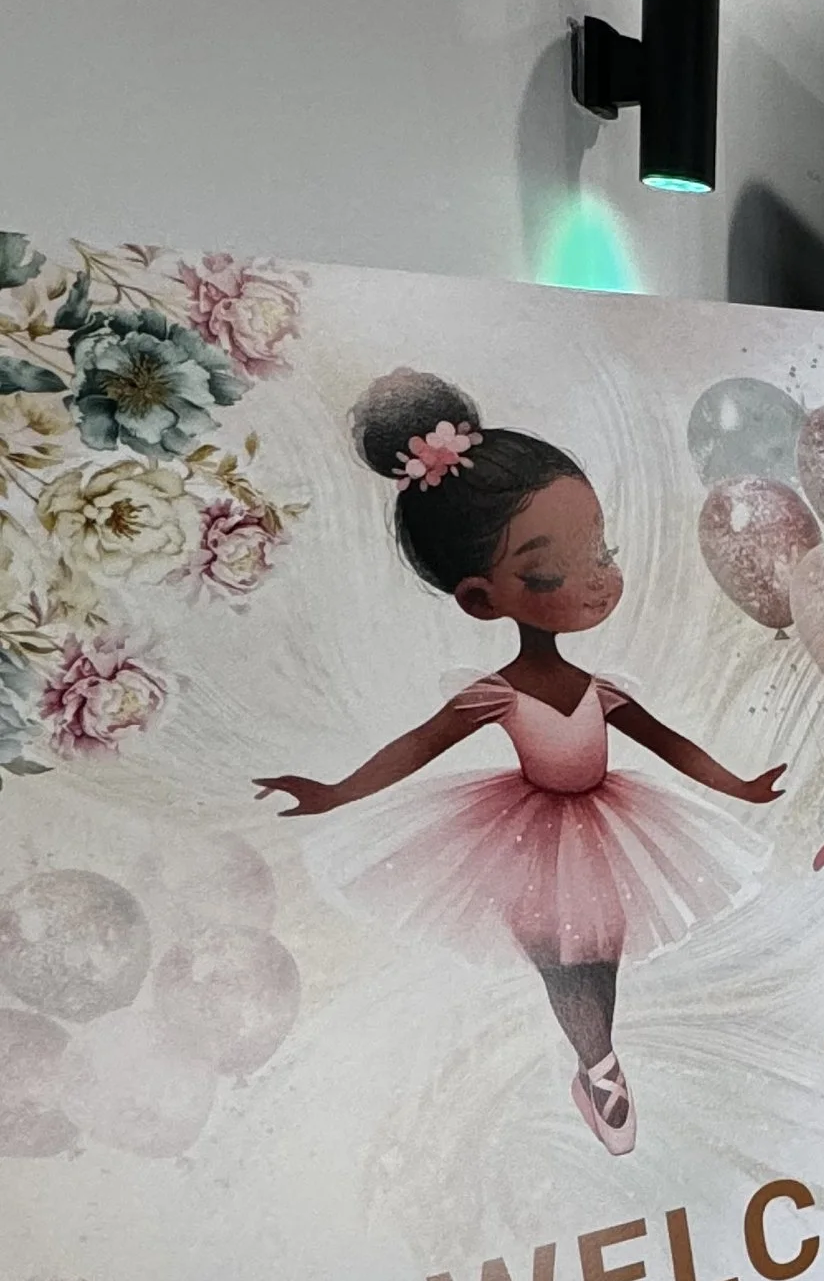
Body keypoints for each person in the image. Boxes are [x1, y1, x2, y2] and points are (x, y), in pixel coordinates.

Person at [257, 370, 784, 1153]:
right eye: (552, 573)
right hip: (524, 840)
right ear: (481, 599)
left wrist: (737, 783)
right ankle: (598, 1061)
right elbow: (417, 747)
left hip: (612, 827)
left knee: (597, 953)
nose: (599, 579)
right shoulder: (497, 695)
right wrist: (335, 791)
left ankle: (593, 1054)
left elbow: (667, 741)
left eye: (600, 550)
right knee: (560, 956)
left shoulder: (599, 689)